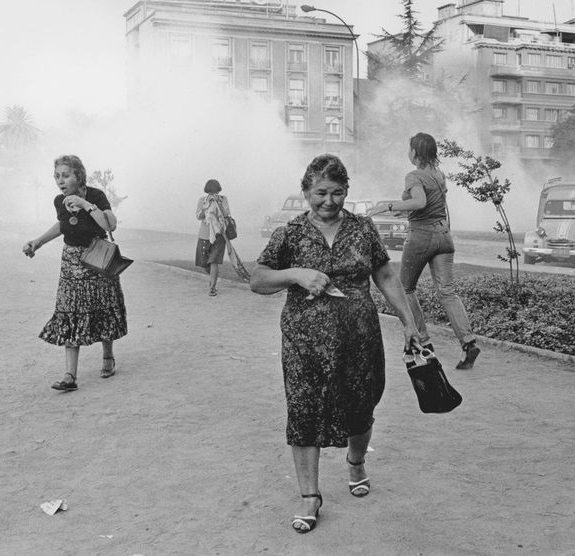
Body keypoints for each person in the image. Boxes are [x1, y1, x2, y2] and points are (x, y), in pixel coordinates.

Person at [250, 154, 422, 534]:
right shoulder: (289, 234)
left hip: (358, 337)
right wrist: (296, 273)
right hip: (303, 341)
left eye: (338, 193)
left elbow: (386, 275)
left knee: (361, 404)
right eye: (320, 193)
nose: (329, 201)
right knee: (304, 410)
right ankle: (309, 496)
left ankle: (356, 461)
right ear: (306, 191)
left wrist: (410, 322)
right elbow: (258, 280)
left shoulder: (362, 229)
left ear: (347, 191)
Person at [370, 132, 480, 370]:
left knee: (405, 288)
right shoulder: (439, 175)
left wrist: (387, 206)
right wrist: (403, 210)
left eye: (409, 149)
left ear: (415, 152)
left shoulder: (414, 175)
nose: (407, 153)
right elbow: (427, 205)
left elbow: (419, 202)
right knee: (447, 292)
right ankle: (468, 342)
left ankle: (423, 342)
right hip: (444, 236)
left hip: (421, 237)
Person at [22, 155, 127, 391]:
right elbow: (63, 225)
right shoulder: (59, 201)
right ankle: (70, 375)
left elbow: (109, 225)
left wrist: (85, 205)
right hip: (71, 262)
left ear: (78, 176)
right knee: (70, 312)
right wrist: (38, 242)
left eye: (65, 175)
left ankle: (108, 356)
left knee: (103, 308)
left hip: (97, 259)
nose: (60, 180)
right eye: (57, 176)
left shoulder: (96, 195)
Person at [195, 179, 231, 296]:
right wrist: (206, 206)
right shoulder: (202, 200)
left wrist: (218, 203)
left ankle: (212, 288)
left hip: (219, 234)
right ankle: (213, 278)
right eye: (211, 192)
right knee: (204, 263)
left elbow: (226, 214)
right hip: (204, 234)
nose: (213, 194)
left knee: (213, 261)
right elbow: (198, 216)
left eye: (215, 191)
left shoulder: (223, 199)